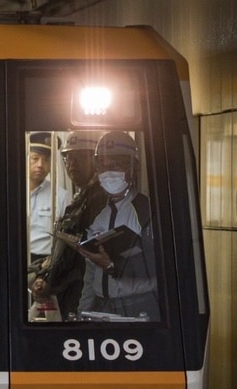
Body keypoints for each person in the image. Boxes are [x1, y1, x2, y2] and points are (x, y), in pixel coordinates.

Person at [74, 130, 158, 320]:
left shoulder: (147, 212)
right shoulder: (100, 215)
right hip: (101, 306)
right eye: (102, 166)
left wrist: (112, 265)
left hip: (138, 306)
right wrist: (82, 313)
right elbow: (91, 273)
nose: (108, 172)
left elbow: (158, 265)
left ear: (133, 167)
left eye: (116, 164)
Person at [30, 130, 108, 316]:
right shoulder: (82, 197)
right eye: (68, 158)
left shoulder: (98, 197)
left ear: (96, 160)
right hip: (63, 280)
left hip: (82, 289)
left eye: (80, 157)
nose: (72, 164)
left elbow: (76, 253)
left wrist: (49, 279)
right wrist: (43, 273)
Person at [27, 132, 57, 263]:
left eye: (45, 160)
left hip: (46, 262)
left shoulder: (59, 196)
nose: (40, 164)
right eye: (35, 158)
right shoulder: (11, 194)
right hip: (14, 257)